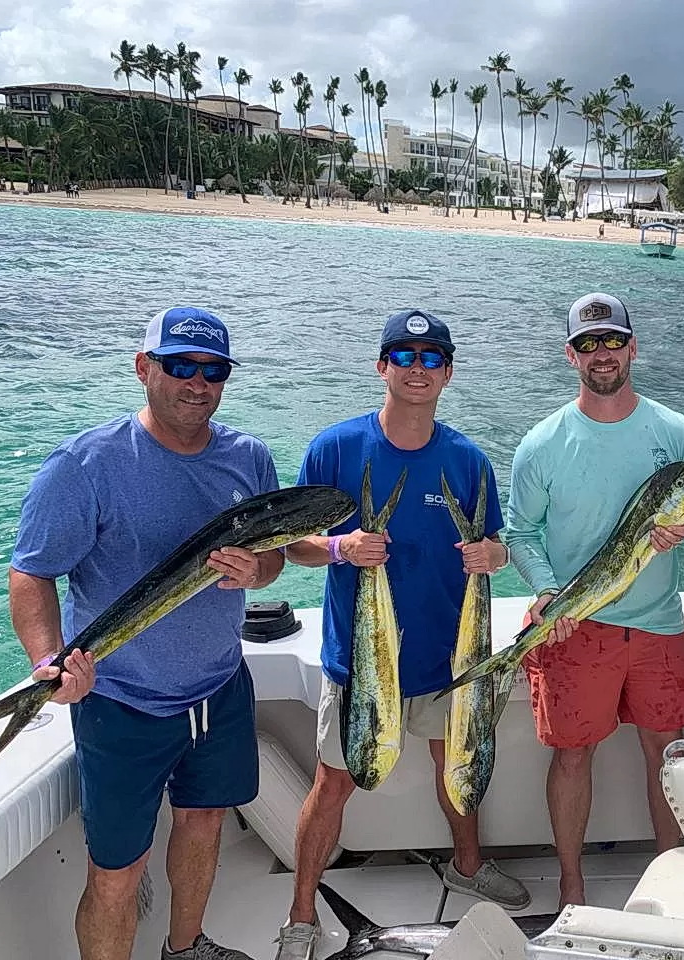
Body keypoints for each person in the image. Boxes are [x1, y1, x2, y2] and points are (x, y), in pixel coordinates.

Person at [10, 307, 282, 960]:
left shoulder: (249, 459)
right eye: (180, 365)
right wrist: (50, 661)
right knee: (116, 875)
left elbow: (274, 558)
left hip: (219, 687)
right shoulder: (85, 465)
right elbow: (31, 575)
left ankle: (186, 949)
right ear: (143, 368)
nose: (198, 382)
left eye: (212, 370)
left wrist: (258, 569)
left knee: (205, 821)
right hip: (120, 703)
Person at [274, 309, 529, 959]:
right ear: (381, 365)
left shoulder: (467, 459)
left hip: (448, 659)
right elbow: (292, 546)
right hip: (362, 661)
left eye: (432, 357)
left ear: (448, 371)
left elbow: (495, 545)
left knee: (457, 766)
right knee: (333, 781)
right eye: (405, 356)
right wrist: (340, 547)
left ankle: (466, 867)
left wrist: (493, 558)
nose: (419, 369)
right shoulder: (335, 448)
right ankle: (301, 912)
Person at [506, 292, 684, 908]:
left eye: (613, 340)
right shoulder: (541, 444)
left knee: (666, 758)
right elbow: (520, 531)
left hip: (658, 626)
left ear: (633, 348)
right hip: (577, 627)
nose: (602, 354)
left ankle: (672, 880)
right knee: (572, 757)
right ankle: (571, 888)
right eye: (588, 344)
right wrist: (547, 591)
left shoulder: (674, 432)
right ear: (571, 355)